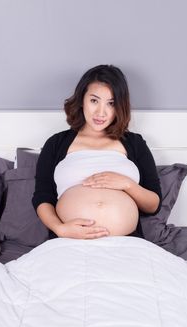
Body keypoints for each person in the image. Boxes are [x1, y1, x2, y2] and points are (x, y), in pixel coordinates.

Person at [32, 64, 162, 240]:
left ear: (119, 107)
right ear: (81, 100)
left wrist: (127, 184)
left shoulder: (135, 143)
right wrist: (60, 229)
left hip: (126, 243)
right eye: (94, 101)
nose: (101, 112)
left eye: (111, 103)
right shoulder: (56, 143)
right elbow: (42, 197)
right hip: (69, 241)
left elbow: (153, 204)